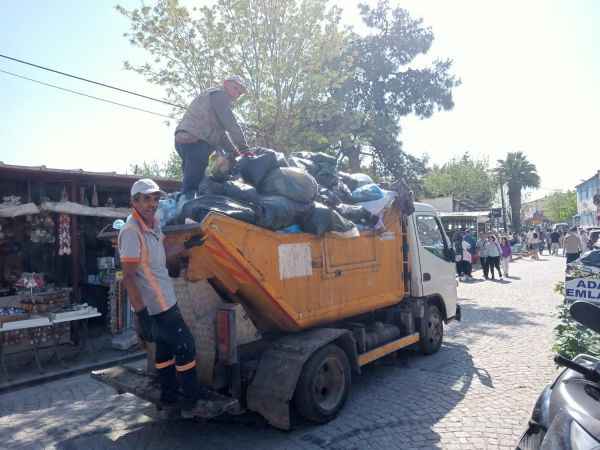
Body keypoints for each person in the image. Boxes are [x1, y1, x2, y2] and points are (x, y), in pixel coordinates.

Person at [119, 179, 206, 418]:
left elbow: (161, 257)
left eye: (156, 198)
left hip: (165, 299)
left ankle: (168, 394)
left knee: (165, 349)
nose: (152, 203)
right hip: (156, 306)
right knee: (186, 346)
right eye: (146, 199)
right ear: (134, 202)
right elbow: (128, 276)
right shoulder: (131, 232)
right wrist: (141, 315)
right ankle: (190, 400)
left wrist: (187, 246)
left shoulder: (154, 225)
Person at [174, 76, 250, 198]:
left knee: (193, 183)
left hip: (184, 139)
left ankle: (184, 205)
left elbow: (220, 135)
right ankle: (187, 210)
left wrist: (234, 152)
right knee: (192, 188)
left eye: (240, 93)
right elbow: (230, 123)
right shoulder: (219, 95)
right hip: (196, 142)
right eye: (235, 88)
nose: (237, 94)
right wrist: (244, 149)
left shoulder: (213, 98)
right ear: (225, 83)